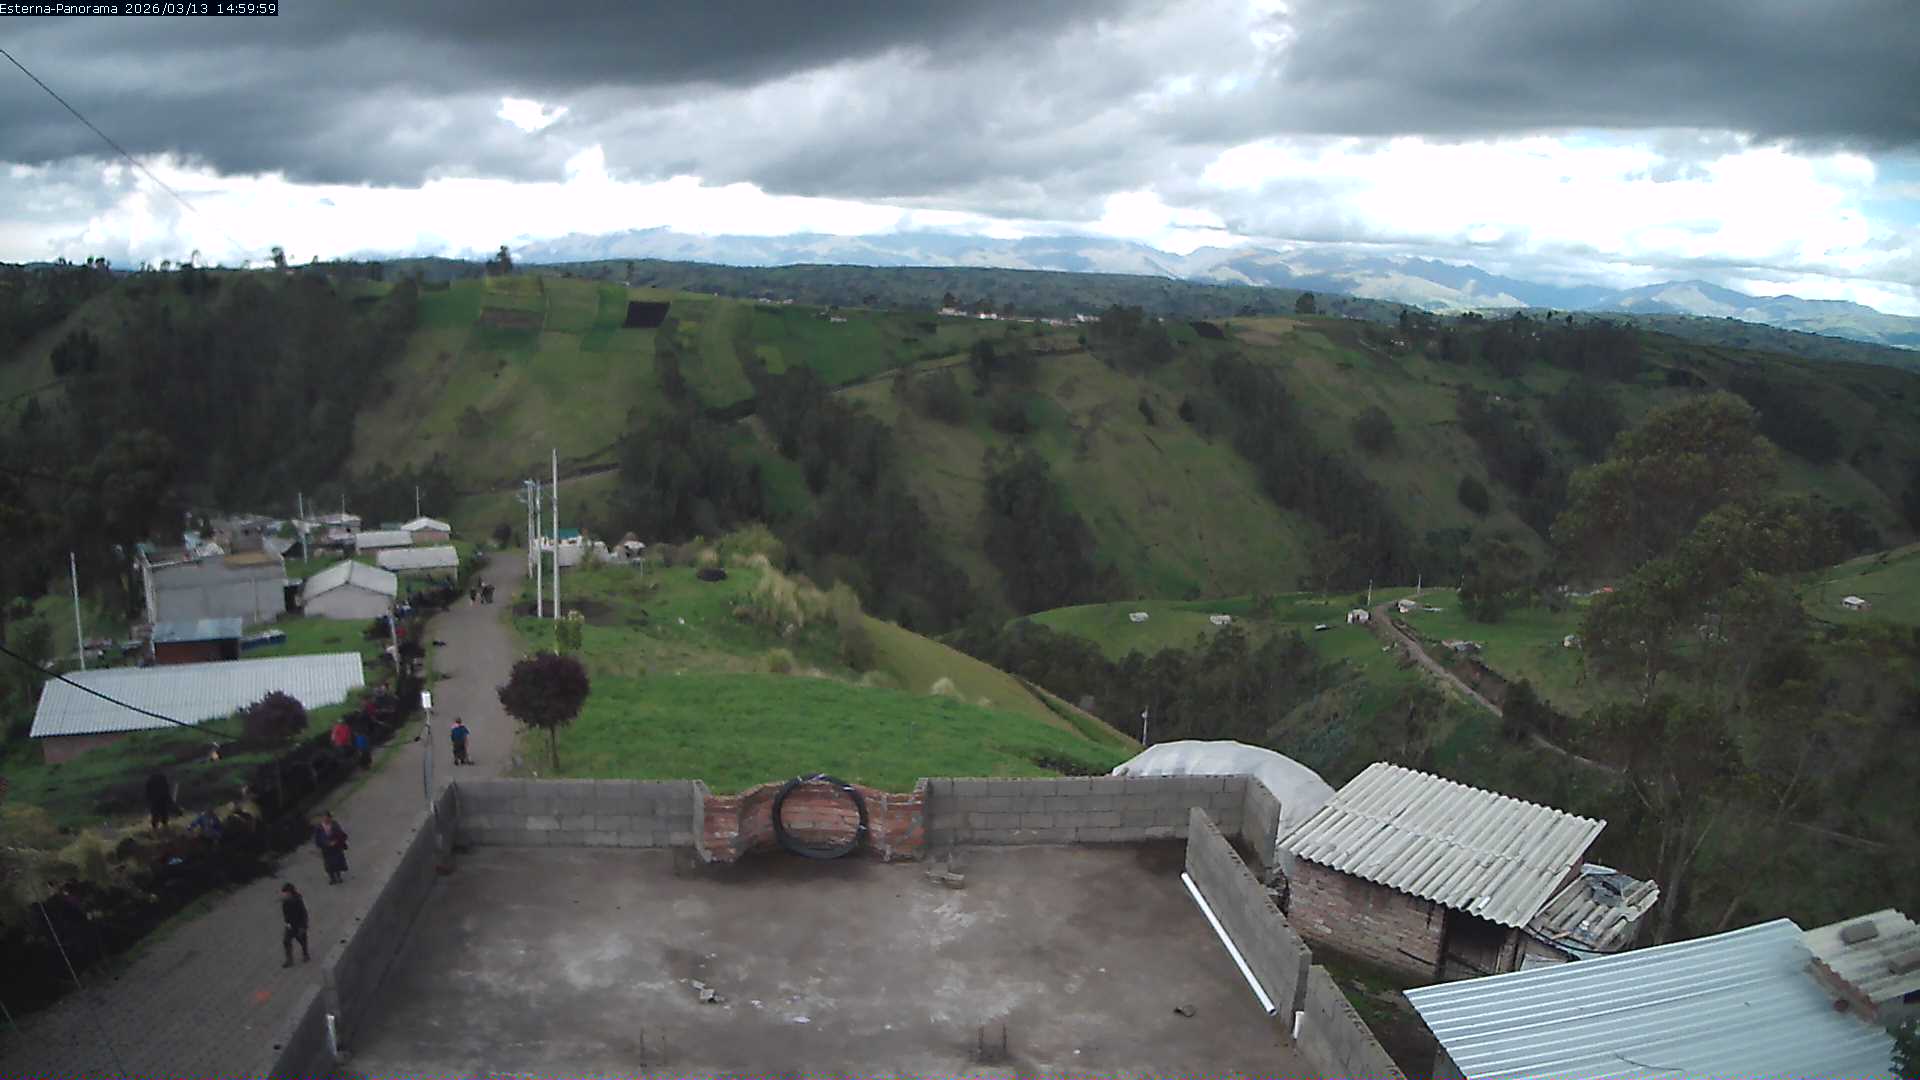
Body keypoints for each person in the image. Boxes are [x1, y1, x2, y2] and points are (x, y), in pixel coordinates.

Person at [313, 812, 350, 885]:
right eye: (323, 818)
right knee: (329, 865)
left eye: (327, 818)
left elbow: (340, 834)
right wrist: (324, 844)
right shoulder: (319, 827)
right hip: (326, 850)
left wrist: (336, 841)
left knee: (337, 863)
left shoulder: (334, 824)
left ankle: (338, 877)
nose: (325, 819)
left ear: (329, 818)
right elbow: (318, 839)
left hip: (335, 848)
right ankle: (332, 878)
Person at [280, 882, 310, 967]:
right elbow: (285, 914)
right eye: (284, 893)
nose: (285, 894)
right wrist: (287, 923)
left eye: (286, 892)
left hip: (299, 925)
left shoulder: (298, 901)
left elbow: (304, 913)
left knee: (302, 940)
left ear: (291, 892)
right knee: (286, 941)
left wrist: (303, 926)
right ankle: (289, 959)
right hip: (290, 925)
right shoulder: (285, 902)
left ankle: (305, 954)